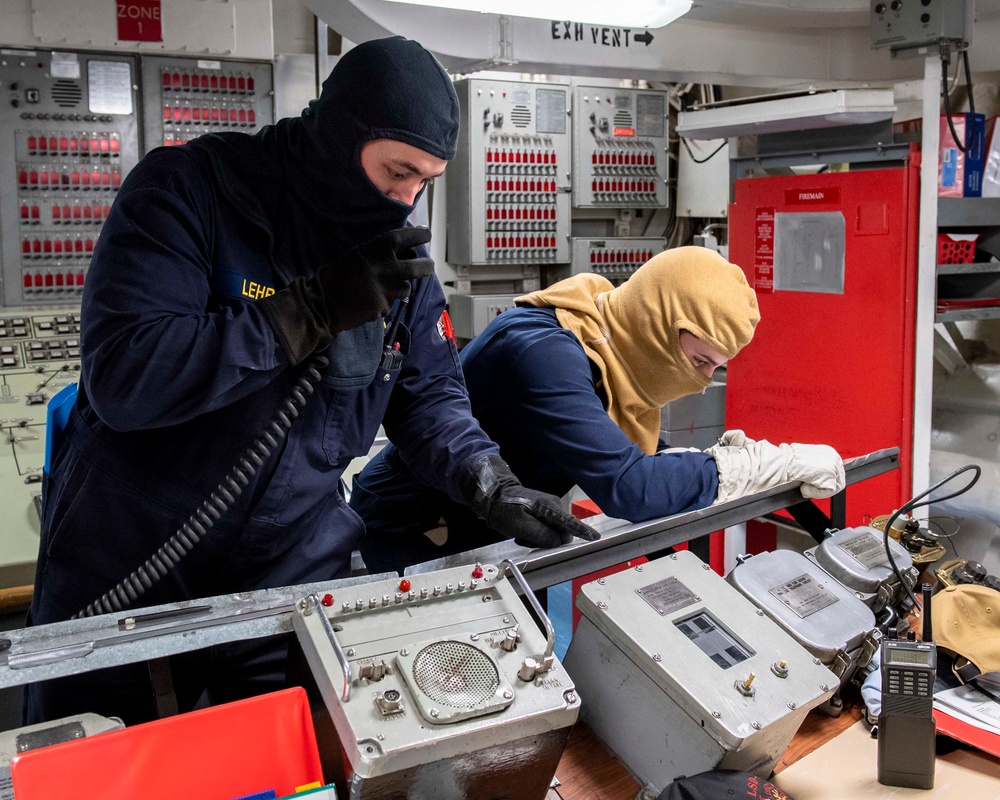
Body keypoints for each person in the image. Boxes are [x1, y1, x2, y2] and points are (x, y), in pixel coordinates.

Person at [25, 36, 596, 726]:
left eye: (425, 182)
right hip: (133, 563)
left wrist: (488, 481)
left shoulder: (391, 258)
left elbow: (429, 396)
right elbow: (127, 377)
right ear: (341, 134)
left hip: (288, 570)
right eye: (396, 171)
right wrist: (307, 312)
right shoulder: (189, 192)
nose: (406, 197)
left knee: (298, 762)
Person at [351, 246, 846, 575]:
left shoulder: (598, 332)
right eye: (698, 361)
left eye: (713, 368)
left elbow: (620, 447)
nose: (698, 383)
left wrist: (707, 463)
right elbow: (629, 487)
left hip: (496, 535)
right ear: (656, 322)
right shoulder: (546, 354)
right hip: (414, 536)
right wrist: (743, 469)